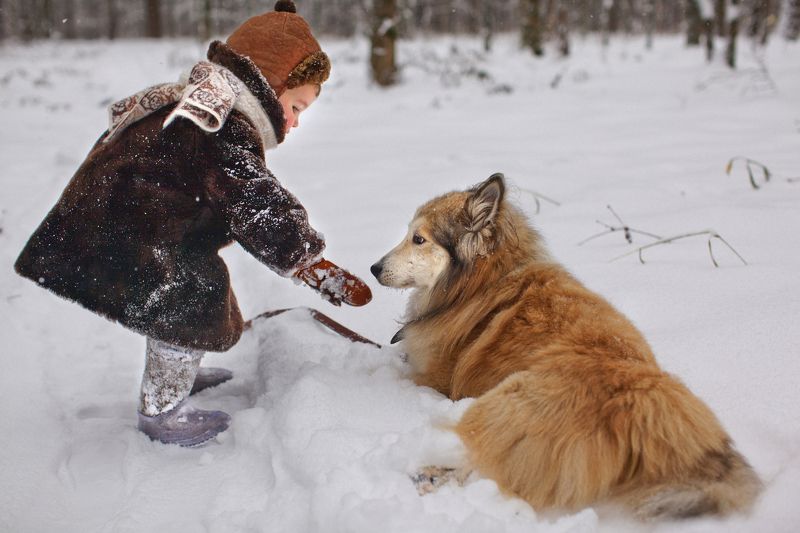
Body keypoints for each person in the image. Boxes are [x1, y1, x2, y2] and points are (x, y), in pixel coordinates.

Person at [14, 0, 371, 447]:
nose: (295, 123)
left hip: (132, 219)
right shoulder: (223, 125)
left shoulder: (212, 101)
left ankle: (183, 369)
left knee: (192, 292)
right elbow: (256, 201)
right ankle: (162, 412)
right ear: (269, 84)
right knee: (189, 297)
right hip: (129, 228)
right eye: (296, 106)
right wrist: (303, 258)